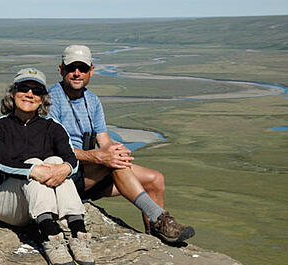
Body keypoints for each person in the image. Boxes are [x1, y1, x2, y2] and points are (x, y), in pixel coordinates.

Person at [48, 45, 195, 244]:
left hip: (93, 173)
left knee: (155, 179)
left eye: (82, 68)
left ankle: (158, 236)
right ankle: (160, 218)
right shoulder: (50, 100)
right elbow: (51, 149)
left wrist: (116, 149)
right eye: (71, 68)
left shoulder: (91, 100)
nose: (76, 73)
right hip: (67, 175)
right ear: (61, 70)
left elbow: (104, 140)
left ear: (91, 70)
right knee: (112, 162)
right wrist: (99, 156)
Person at [0, 67, 95, 265]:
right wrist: (34, 170)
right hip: (7, 203)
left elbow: (71, 159)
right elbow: (1, 162)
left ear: (43, 98)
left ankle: (79, 236)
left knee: (55, 161)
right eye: (24, 88)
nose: (29, 94)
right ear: (13, 93)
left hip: (37, 203)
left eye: (36, 91)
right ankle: (51, 238)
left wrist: (64, 168)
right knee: (36, 164)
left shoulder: (53, 127)